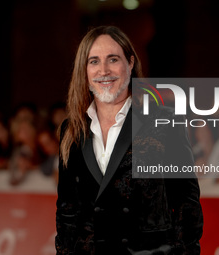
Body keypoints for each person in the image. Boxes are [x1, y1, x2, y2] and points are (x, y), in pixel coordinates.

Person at [55, 26, 203, 255]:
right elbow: (67, 212)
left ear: (130, 63)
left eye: (112, 59)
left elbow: (187, 205)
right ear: (83, 70)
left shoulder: (164, 122)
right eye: (93, 61)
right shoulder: (72, 129)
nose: (103, 70)